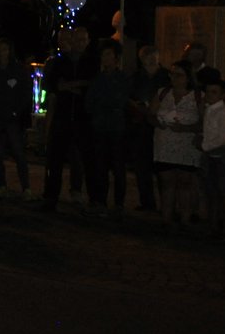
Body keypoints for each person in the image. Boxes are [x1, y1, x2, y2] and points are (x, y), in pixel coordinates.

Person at [39, 25, 93, 211]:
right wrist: (73, 87)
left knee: (81, 158)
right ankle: (51, 196)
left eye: (81, 39)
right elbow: (54, 85)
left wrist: (69, 85)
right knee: (55, 159)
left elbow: (90, 86)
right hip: (62, 117)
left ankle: (81, 194)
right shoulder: (59, 62)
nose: (77, 43)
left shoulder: (90, 62)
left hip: (82, 118)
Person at [149, 60, 202, 229]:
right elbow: (150, 114)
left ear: (187, 78)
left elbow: (204, 121)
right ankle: (166, 217)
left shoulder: (196, 96)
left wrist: (186, 128)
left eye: (179, 75)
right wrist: (159, 123)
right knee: (167, 181)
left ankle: (185, 218)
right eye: (172, 74)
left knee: (185, 182)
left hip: (186, 145)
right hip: (165, 144)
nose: (174, 78)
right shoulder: (163, 93)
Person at [84, 39, 129, 215]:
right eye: (103, 55)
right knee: (100, 167)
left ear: (116, 58)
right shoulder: (98, 79)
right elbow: (89, 103)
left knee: (118, 168)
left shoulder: (122, 79)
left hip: (116, 128)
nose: (105, 58)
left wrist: (103, 105)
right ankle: (100, 200)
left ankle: (119, 203)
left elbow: (120, 101)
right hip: (100, 128)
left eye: (109, 55)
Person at [0, 36, 33, 198]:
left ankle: (26, 187)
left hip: (12, 119)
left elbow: (26, 93)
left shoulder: (18, 70)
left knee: (18, 153)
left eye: (4, 49)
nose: (2, 53)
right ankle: (2, 185)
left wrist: (16, 111)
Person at [196, 68, 225, 240]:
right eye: (208, 92)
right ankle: (213, 225)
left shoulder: (224, 113)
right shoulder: (210, 110)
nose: (209, 95)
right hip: (212, 157)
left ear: (222, 94)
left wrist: (205, 145)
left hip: (223, 159)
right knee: (212, 192)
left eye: (214, 92)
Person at [127, 45, 169, 213]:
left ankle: (166, 203)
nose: (151, 60)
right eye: (147, 57)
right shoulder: (136, 77)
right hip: (141, 125)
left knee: (162, 167)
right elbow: (128, 97)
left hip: (160, 124)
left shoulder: (166, 77)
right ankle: (147, 202)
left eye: (153, 56)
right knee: (142, 166)